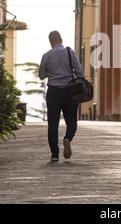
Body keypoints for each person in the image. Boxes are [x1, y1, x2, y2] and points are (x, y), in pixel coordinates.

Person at [39, 31, 84, 162]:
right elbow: (79, 71)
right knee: (72, 121)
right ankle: (67, 138)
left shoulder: (46, 56)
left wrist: (51, 72)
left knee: (52, 124)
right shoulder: (70, 53)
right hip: (69, 91)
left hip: (53, 91)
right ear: (61, 39)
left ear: (50, 41)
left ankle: (54, 154)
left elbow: (42, 75)